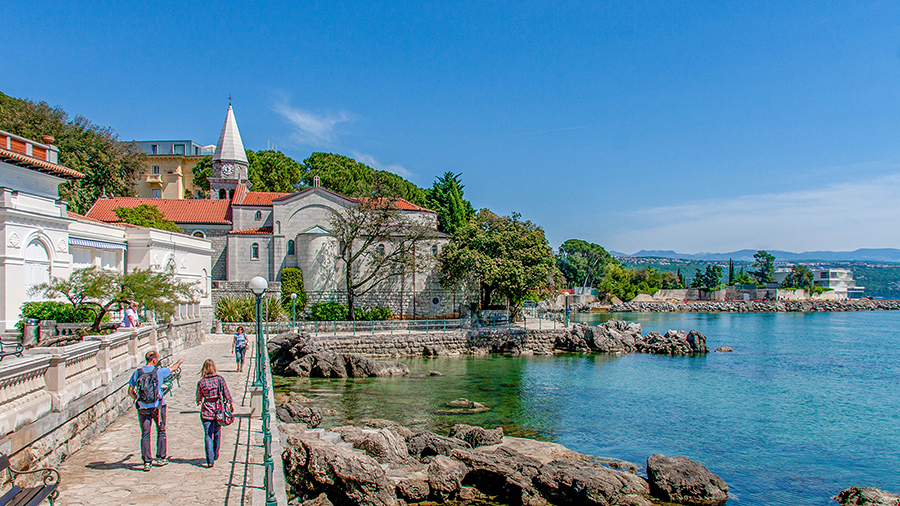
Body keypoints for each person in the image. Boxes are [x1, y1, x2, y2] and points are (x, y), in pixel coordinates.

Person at [128, 350, 184, 471]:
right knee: (161, 431)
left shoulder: (137, 373)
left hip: (143, 407)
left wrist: (138, 398)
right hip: (158, 406)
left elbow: (130, 391)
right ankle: (161, 458)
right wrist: (179, 362)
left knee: (145, 434)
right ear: (154, 360)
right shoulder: (159, 371)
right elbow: (173, 369)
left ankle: (147, 461)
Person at [196, 359, 233, 468]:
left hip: (207, 409)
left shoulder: (201, 382)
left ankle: (210, 460)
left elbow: (199, 398)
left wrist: (200, 399)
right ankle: (215, 453)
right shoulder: (220, 380)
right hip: (218, 410)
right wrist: (230, 403)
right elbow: (227, 394)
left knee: (208, 434)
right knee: (217, 432)